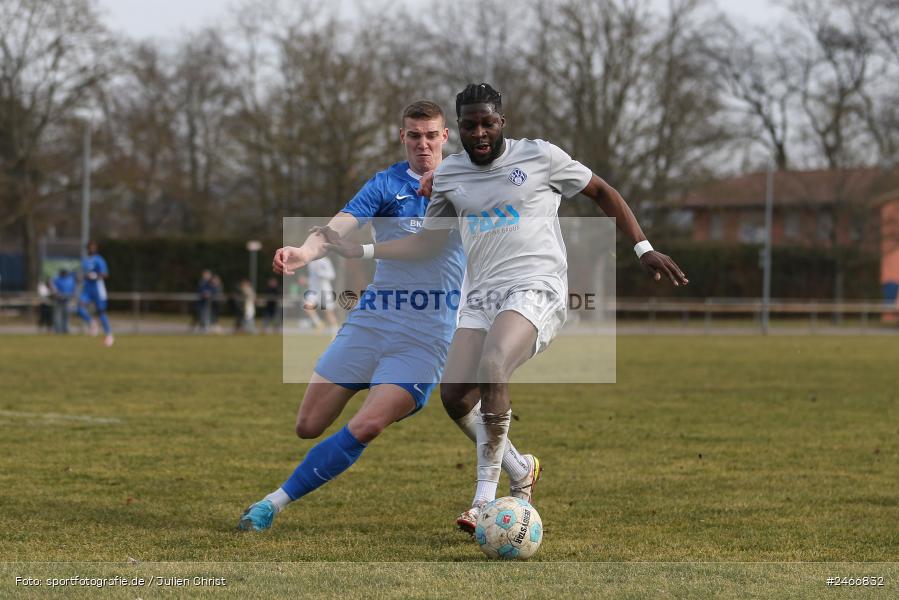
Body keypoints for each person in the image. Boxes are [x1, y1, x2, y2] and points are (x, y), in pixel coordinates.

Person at [320, 83, 688, 533]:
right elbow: (426, 244)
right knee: (455, 396)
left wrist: (642, 247)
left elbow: (603, 191)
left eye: (487, 123)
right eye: (470, 124)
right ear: (459, 128)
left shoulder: (541, 157)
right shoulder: (450, 175)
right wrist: (361, 251)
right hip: (481, 296)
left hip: (538, 288)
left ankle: (483, 502)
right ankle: (520, 468)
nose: (479, 132)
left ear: (501, 122)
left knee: (493, 364)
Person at [238, 100, 539, 531]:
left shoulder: (466, 180)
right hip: (372, 321)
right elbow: (338, 226)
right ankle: (519, 465)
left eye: (431, 135)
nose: (423, 144)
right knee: (308, 425)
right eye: (414, 136)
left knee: (367, 424)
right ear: (403, 137)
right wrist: (303, 251)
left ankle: (272, 504)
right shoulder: (385, 184)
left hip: (426, 336)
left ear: (445, 137)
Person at [76, 240, 114, 347]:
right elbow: (83, 273)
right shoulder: (85, 260)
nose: (91, 249)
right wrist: (81, 277)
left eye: (93, 247)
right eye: (90, 247)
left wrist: (96, 276)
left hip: (98, 288)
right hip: (87, 289)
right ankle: (92, 322)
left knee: (101, 312)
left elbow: (105, 274)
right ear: (87, 248)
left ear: (96, 248)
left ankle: (109, 335)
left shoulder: (99, 260)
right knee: (79, 308)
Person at [303, 257, 339, 334]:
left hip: (325, 289)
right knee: (307, 306)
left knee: (328, 313)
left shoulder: (325, 261)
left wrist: (320, 273)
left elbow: (332, 275)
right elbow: (312, 278)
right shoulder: (311, 262)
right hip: (313, 290)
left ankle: (336, 333)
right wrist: (307, 281)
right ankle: (319, 324)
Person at [52, 268, 77, 334]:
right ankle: (58, 331)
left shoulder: (70, 280)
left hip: (67, 299)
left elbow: (73, 290)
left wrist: (73, 298)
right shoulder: (57, 279)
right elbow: (54, 288)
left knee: (66, 316)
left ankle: (66, 330)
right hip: (58, 299)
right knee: (57, 316)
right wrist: (57, 294)